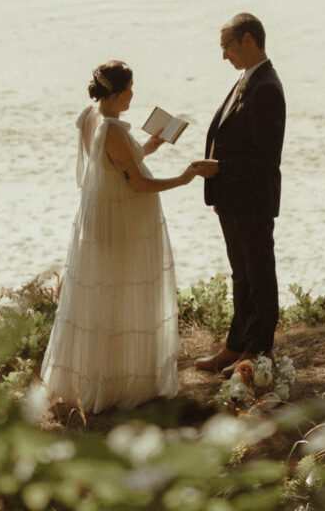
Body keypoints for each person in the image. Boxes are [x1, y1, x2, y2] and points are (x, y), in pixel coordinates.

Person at [40, 60, 198, 413]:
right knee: (122, 294)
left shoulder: (89, 116)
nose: (133, 93)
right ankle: (119, 382)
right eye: (129, 87)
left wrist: (151, 144)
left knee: (102, 294)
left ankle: (94, 374)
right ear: (116, 91)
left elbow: (114, 160)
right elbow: (138, 182)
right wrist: (184, 178)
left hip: (100, 215)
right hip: (121, 223)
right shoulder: (112, 130)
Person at [189, 13, 286, 375]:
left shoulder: (267, 88)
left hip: (253, 200)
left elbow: (265, 157)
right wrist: (217, 190)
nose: (224, 55)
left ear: (247, 40)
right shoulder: (246, 80)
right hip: (232, 199)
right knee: (241, 275)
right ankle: (236, 346)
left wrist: (221, 170)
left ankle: (259, 352)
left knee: (260, 275)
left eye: (226, 46)